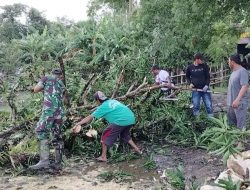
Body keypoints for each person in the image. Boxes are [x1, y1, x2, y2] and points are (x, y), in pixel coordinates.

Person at [72, 91, 141, 162]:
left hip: (121, 120)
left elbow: (90, 117)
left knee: (105, 134)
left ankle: (103, 156)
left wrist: (78, 123)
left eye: (96, 101)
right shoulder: (112, 101)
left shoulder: (103, 107)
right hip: (131, 118)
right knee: (125, 135)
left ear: (97, 100)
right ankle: (137, 150)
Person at [29, 68, 66, 170]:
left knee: (41, 131)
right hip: (60, 113)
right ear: (61, 75)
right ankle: (58, 163)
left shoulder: (46, 78)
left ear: (52, 73)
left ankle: (44, 161)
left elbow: (36, 89)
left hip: (49, 111)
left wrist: (33, 89)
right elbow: (63, 97)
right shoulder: (61, 84)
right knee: (57, 136)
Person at [186, 53, 213, 117]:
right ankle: (197, 120)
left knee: (208, 105)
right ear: (197, 59)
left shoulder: (205, 66)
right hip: (195, 90)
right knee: (196, 106)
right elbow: (187, 77)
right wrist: (190, 83)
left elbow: (208, 77)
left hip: (205, 90)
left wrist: (206, 85)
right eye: (201, 59)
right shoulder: (190, 67)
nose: (202, 61)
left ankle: (211, 119)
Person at [227, 54, 249, 130]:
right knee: (232, 126)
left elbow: (245, 86)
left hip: (239, 104)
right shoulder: (233, 72)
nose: (228, 63)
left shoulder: (242, 71)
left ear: (232, 62)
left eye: (228, 61)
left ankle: (241, 141)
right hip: (231, 104)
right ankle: (235, 141)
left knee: (240, 126)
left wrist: (237, 100)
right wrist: (228, 100)